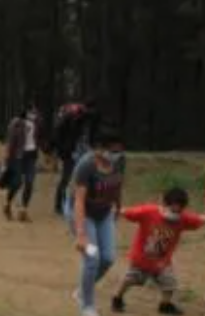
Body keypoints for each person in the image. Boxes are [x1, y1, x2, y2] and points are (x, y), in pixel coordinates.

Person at [112, 187, 205, 315]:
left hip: (162, 262)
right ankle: (117, 298)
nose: (175, 212)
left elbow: (198, 219)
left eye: (178, 209)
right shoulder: (149, 212)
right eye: (172, 208)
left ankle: (165, 305)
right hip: (141, 259)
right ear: (164, 203)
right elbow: (128, 212)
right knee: (132, 279)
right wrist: (115, 211)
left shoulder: (182, 219)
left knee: (170, 282)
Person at [66, 132, 125, 316]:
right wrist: (81, 233)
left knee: (108, 258)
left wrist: (118, 206)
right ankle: (87, 306)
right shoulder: (87, 165)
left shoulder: (119, 162)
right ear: (99, 149)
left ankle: (82, 290)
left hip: (104, 213)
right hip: (83, 214)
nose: (115, 154)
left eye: (118, 150)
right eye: (111, 150)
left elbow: (117, 184)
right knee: (92, 259)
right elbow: (79, 201)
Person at [55, 100, 99, 216]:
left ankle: (83, 204)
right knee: (67, 178)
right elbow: (62, 132)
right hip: (71, 152)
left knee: (87, 178)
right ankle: (59, 205)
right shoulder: (72, 119)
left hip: (84, 150)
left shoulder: (88, 119)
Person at [4, 106, 46, 222]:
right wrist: (7, 158)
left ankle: (23, 211)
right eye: (31, 112)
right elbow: (10, 141)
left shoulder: (37, 124)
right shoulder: (16, 123)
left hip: (31, 156)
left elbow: (40, 138)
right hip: (18, 156)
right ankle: (7, 204)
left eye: (35, 112)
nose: (34, 114)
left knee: (29, 182)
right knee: (17, 182)